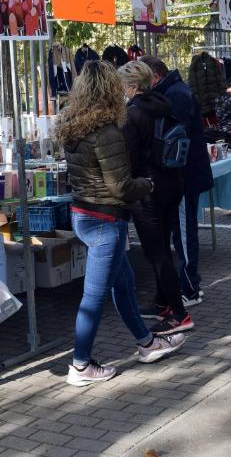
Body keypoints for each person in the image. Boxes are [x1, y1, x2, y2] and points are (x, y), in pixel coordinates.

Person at [56, 60, 186, 386]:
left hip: (85, 215)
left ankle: (146, 343)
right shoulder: (106, 130)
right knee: (94, 297)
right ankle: (81, 364)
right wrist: (147, 184)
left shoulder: (73, 126)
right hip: (104, 219)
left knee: (123, 284)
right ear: (110, 89)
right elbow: (120, 186)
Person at [119, 61, 193, 334]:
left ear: (133, 85)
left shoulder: (132, 114)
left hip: (148, 188)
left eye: (123, 84)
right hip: (172, 182)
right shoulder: (164, 104)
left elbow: (130, 157)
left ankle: (179, 312)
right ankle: (164, 301)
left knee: (157, 252)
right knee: (163, 244)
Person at [141, 56, 214, 306]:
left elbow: (174, 137)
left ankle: (190, 288)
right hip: (183, 175)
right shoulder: (174, 91)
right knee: (181, 232)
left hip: (185, 176)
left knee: (183, 232)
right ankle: (189, 284)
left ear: (155, 76)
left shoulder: (177, 94)